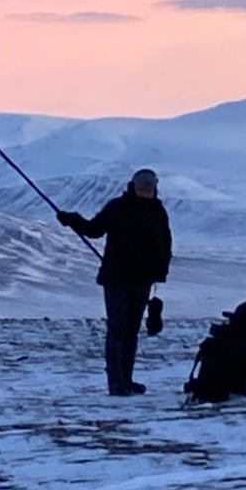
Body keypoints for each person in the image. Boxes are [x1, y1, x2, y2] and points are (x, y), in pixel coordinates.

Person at [58, 168, 172, 396]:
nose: (146, 191)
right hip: (117, 279)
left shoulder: (158, 211)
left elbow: (166, 244)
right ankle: (116, 383)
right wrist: (73, 220)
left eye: (149, 187)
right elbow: (94, 230)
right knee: (117, 330)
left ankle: (126, 380)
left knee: (131, 331)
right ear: (134, 186)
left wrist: (160, 272)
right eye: (142, 187)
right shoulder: (118, 207)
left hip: (142, 281)